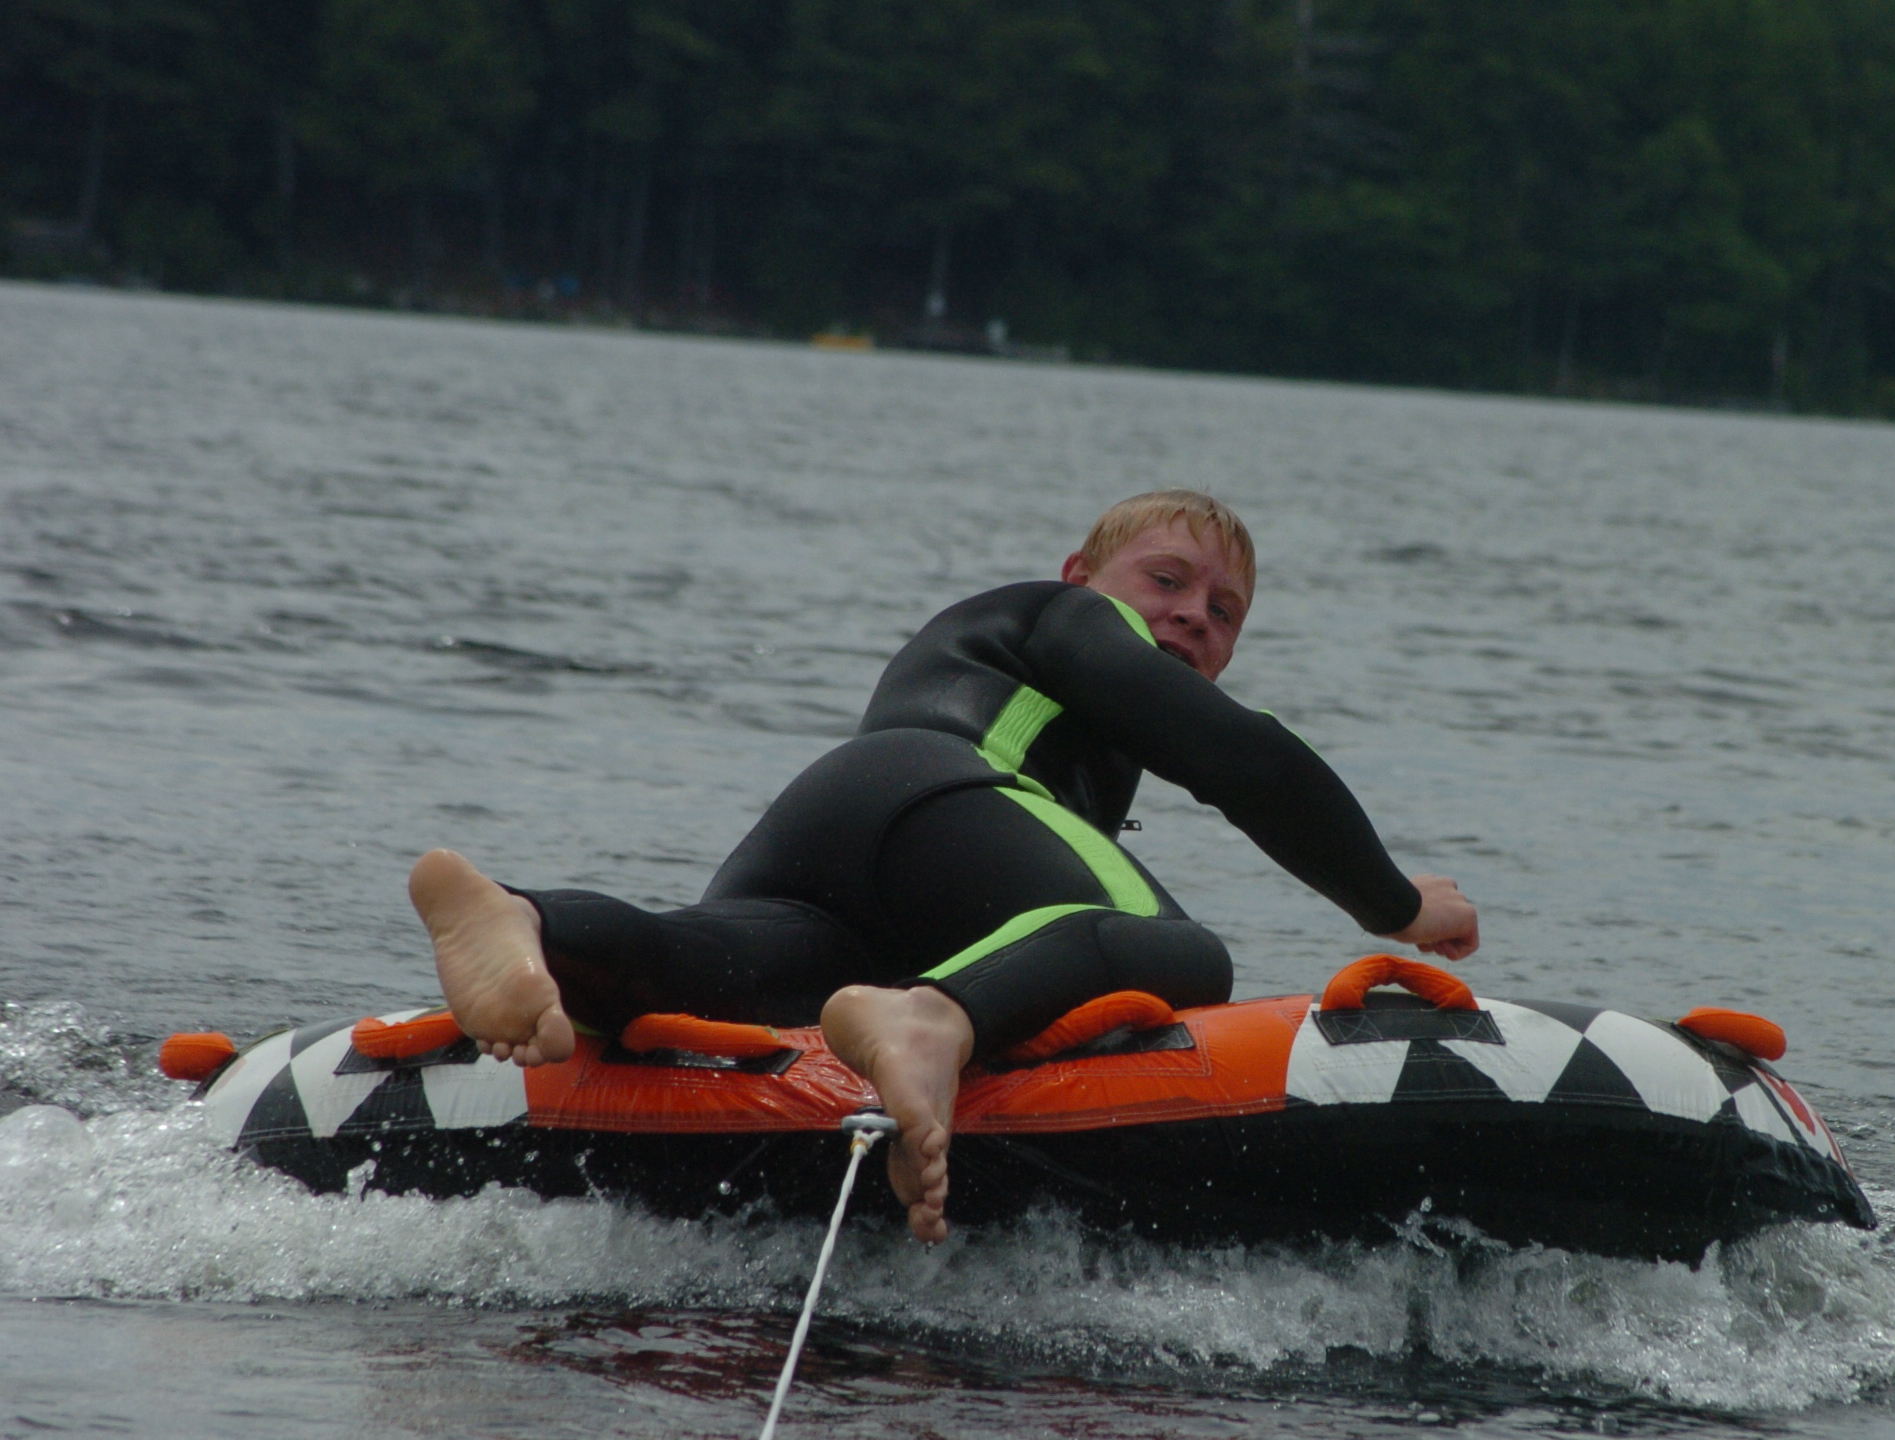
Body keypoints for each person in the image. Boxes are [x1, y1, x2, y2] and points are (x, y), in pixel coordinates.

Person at [409, 490, 1479, 1242]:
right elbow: (1244, 759)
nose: (1194, 613)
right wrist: (1394, 904)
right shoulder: (1063, 616)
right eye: (1167, 579)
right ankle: (933, 1020)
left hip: (836, 851)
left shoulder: (1028, 695)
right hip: (946, 789)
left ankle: (530, 925)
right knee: (1176, 948)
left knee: (707, 974)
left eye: (1225, 613)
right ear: (1083, 576)